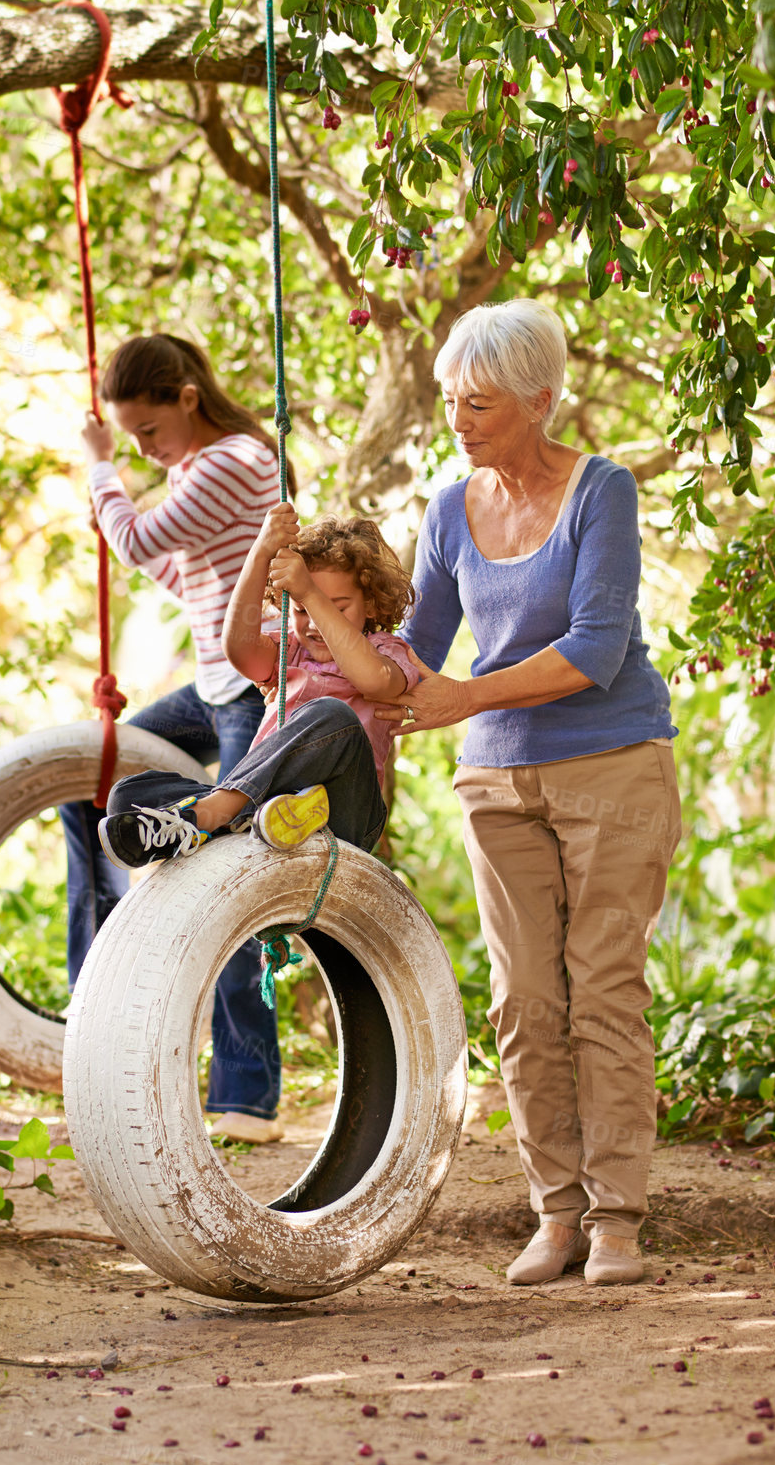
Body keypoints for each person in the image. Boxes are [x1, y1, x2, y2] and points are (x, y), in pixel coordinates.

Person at [379, 300, 681, 1287]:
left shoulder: (604, 492)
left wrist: (466, 696)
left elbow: (595, 650)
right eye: (451, 402)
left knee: (603, 991)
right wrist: (304, 596)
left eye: (482, 403)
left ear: (542, 400)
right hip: (497, 778)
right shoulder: (447, 508)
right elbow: (415, 658)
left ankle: (619, 1221)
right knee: (521, 1003)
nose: (460, 420)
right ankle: (555, 1216)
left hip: (613, 761)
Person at [64, 333, 287, 1144]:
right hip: (213, 684)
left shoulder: (235, 459)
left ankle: (247, 1094)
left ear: (188, 400)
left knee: (226, 867)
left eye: (148, 432)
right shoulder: (193, 471)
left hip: (255, 687)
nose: (142, 450)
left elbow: (134, 544)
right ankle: (94, 1022)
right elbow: (171, 570)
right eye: (129, 440)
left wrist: (99, 468)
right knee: (89, 786)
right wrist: (116, 490)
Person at [97, 505, 419, 873]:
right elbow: (239, 648)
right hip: (267, 802)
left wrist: (310, 593)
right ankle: (241, 815)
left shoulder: (385, 650)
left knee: (333, 715)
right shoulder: (289, 651)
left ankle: (217, 811)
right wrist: (261, 552)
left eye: (337, 607)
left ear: (373, 604)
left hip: (347, 810)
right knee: (127, 796)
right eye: (299, 610)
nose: (313, 623)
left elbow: (374, 680)